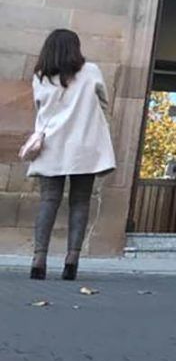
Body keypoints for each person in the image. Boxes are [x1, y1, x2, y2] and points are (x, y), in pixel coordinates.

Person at [23, 29, 116, 281]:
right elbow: (104, 102)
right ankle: (71, 260)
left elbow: (39, 108)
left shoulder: (40, 76)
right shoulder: (91, 71)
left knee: (48, 200)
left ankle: (38, 259)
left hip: (51, 144)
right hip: (84, 145)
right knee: (80, 201)